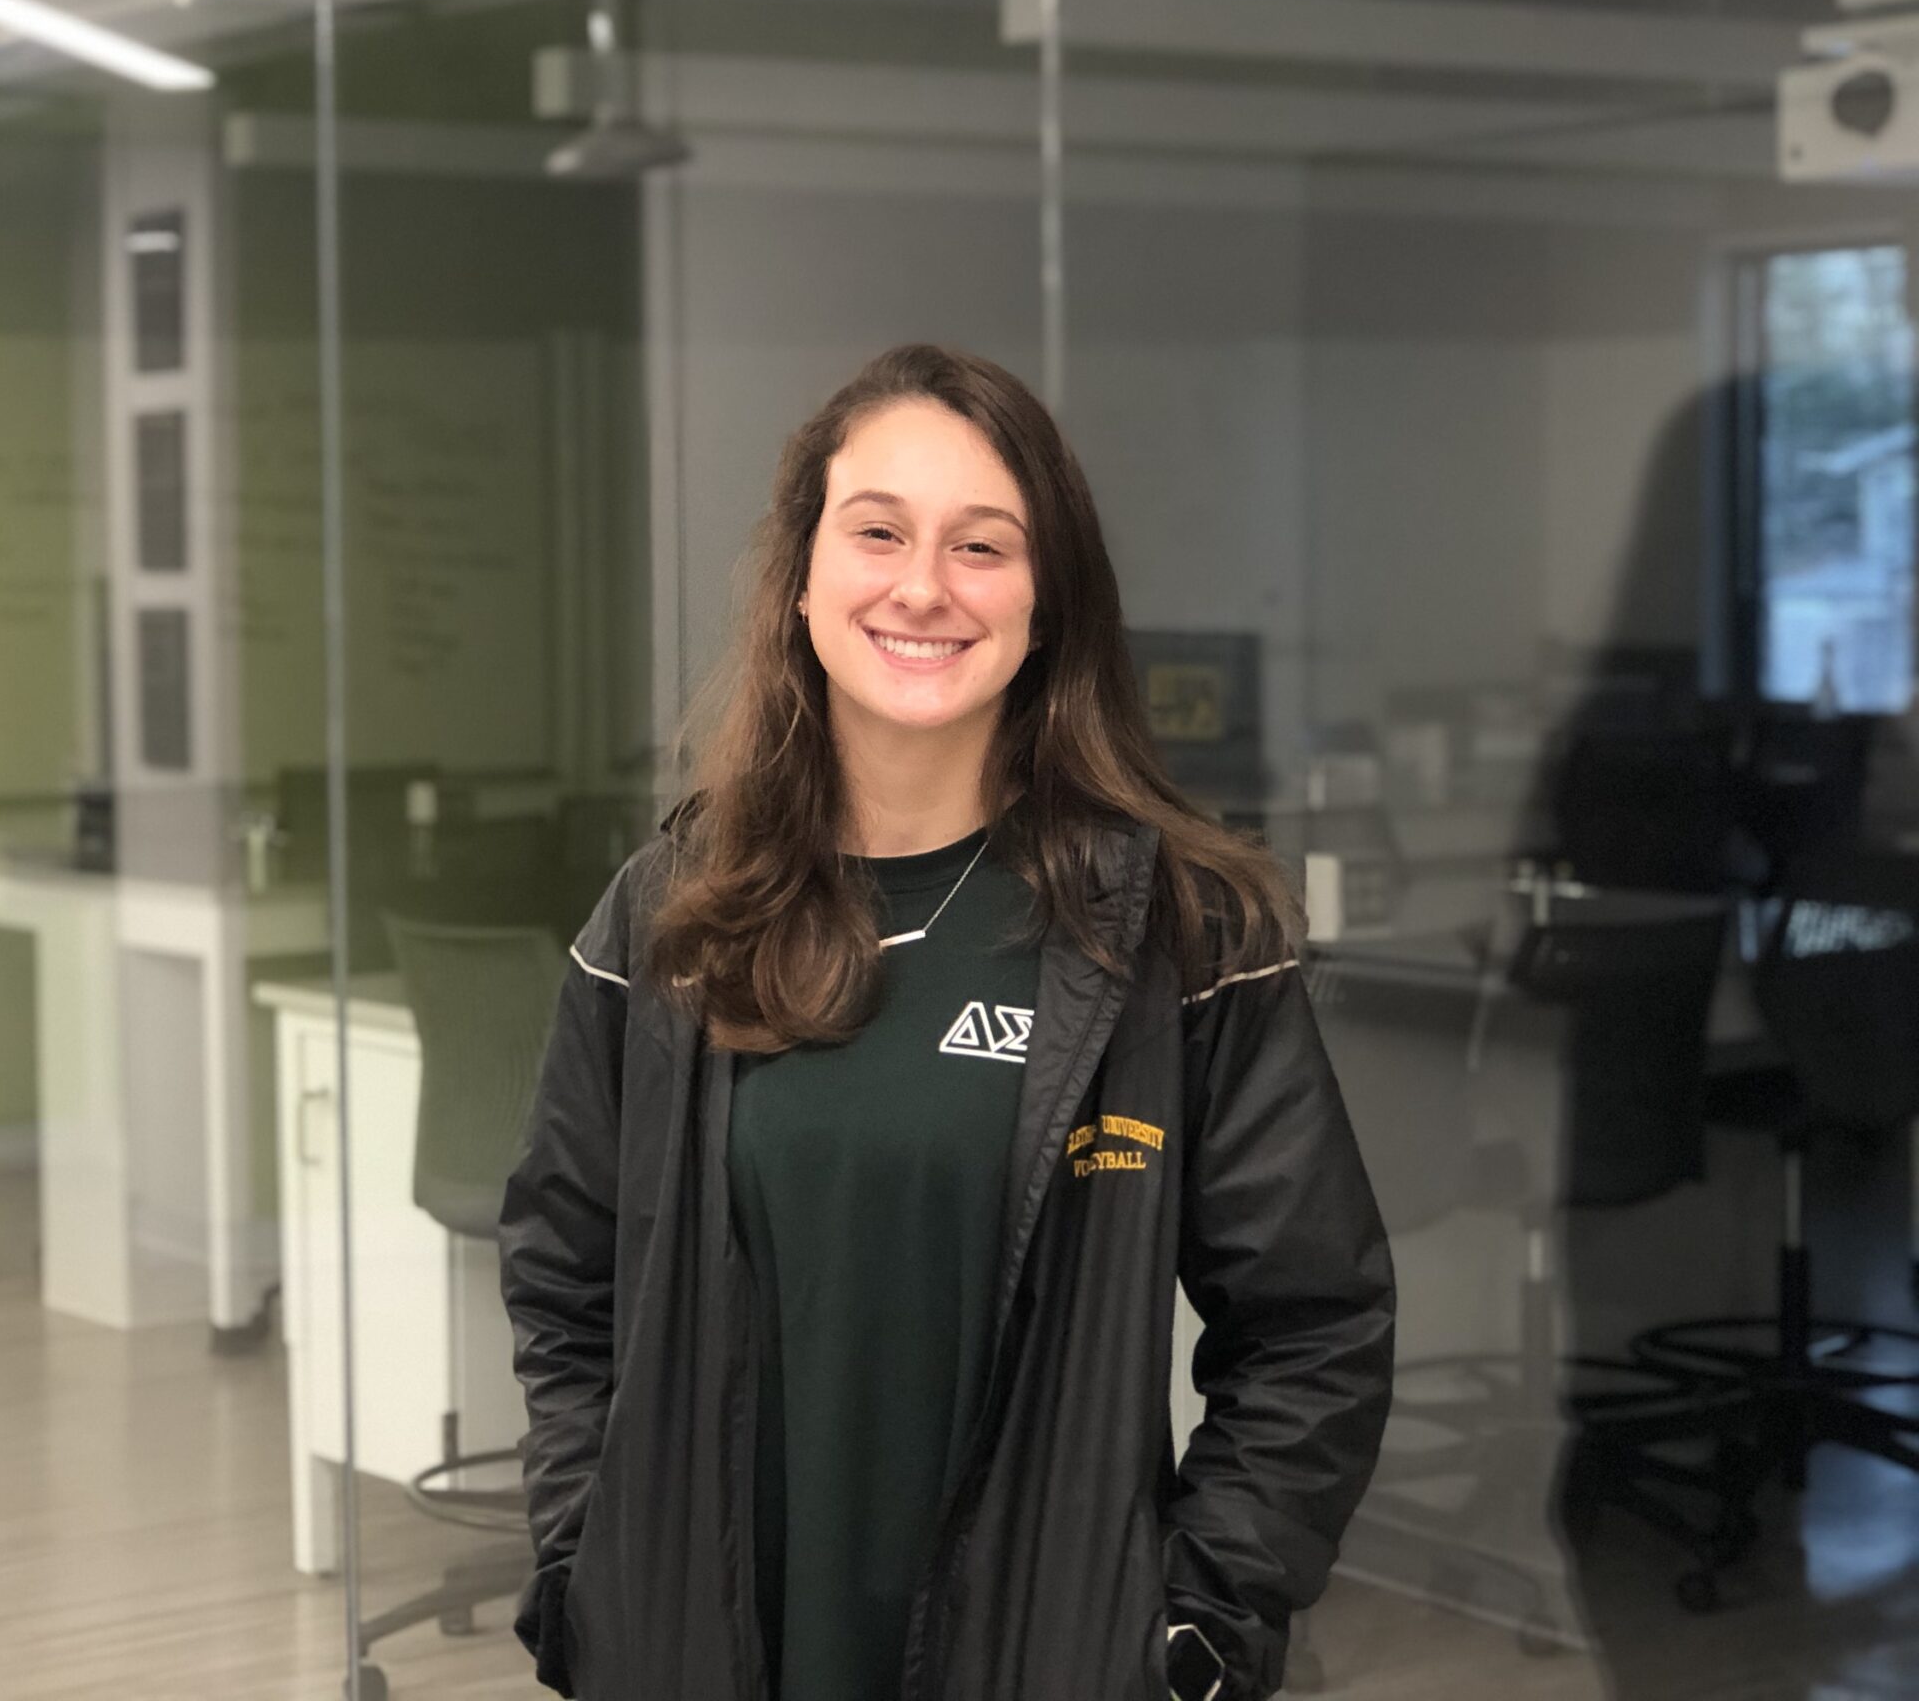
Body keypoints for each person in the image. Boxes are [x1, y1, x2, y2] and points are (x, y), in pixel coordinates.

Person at [497, 343, 1394, 1701]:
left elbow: (1315, 1326)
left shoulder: (1175, 936)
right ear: (804, 579)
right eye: (878, 532)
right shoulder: (669, 922)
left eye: (983, 545)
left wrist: (1200, 1625)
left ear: (1049, 604)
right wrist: (587, 1566)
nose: (923, 585)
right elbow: (565, 1282)